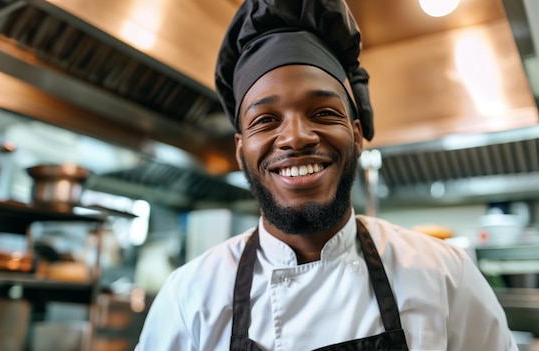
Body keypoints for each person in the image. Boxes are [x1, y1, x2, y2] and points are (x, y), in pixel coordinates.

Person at [135, 0, 519, 350]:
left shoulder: (444, 277)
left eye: (323, 113)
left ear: (355, 135)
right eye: (266, 120)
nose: (296, 137)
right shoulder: (190, 298)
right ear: (240, 149)